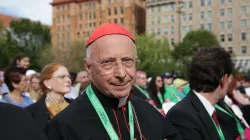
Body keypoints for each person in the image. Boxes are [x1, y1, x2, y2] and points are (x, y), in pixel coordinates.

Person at [45, 23, 182, 140]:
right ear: (89, 67)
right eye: (108, 62)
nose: (121, 74)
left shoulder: (148, 111)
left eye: (127, 61)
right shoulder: (64, 126)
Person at [166, 48, 244, 140]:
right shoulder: (181, 117)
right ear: (223, 80)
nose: (231, 80)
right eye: (230, 77)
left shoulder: (215, 106)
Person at [26, 63, 72, 131]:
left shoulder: (76, 106)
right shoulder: (31, 112)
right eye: (62, 77)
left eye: (69, 77)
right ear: (47, 83)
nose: (68, 80)